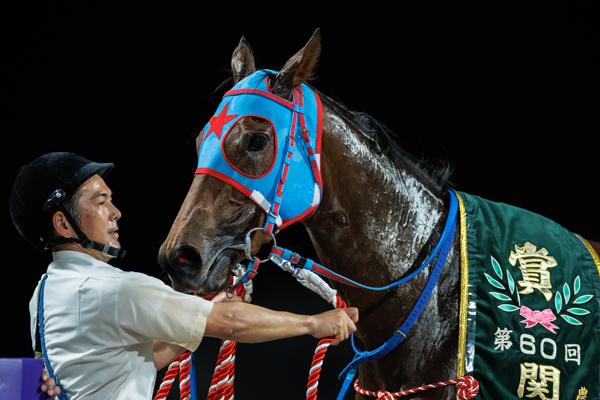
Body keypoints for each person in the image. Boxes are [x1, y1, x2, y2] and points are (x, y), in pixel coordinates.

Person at [10, 152, 359, 399]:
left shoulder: (41, 296)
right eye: (101, 202)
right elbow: (231, 323)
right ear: (62, 223)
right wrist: (314, 323)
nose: (116, 213)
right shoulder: (116, 289)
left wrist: (188, 328)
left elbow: (129, 363)